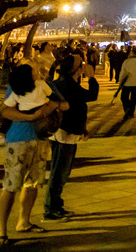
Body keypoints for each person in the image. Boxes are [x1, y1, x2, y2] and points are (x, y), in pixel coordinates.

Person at [0, 64, 69, 246]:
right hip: (18, 140)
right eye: (33, 69)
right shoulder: (16, 86)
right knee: (10, 185)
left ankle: (24, 222)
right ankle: (0, 231)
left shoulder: (44, 85)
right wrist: (31, 117)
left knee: (33, 183)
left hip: (41, 139)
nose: (37, 71)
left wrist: (53, 106)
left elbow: (64, 104)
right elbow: (5, 111)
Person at [44, 54, 99, 220]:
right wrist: (92, 77)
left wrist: (82, 128)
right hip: (65, 133)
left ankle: (56, 205)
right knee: (60, 172)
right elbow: (92, 95)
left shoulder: (62, 82)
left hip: (63, 132)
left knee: (60, 171)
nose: (84, 66)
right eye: (81, 64)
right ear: (76, 69)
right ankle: (51, 209)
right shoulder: (69, 85)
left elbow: (77, 107)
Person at [117, 47, 136, 119]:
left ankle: (127, 108)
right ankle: (131, 112)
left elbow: (122, 73)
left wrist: (120, 82)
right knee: (134, 98)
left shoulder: (127, 62)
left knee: (124, 97)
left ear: (132, 52)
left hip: (127, 83)